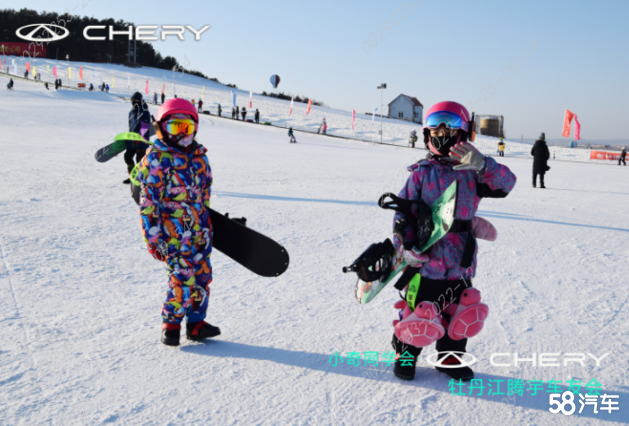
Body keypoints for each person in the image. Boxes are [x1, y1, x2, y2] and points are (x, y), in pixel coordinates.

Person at [389, 101, 516, 382]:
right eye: (434, 126)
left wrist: (483, 165)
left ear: (464, 132)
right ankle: (406, 355)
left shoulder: (474, 172)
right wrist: (406, 245)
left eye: (448, 124)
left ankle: (450, 359)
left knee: (459, 312)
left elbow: (507, 183)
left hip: (460, 261)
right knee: (419, 311)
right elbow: (403, 213)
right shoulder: (422, 172)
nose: (441, 131)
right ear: (426, 134)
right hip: (427, 260)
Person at [136, 98, 220, 346]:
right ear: (161, 127)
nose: (182, 133)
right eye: (175, 127)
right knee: (182, 277)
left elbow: (205, 196)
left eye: (187, 127)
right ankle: (171, 325)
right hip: (173, 235)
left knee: (202, 275)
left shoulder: (200, 158)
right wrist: (153, 239)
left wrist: (209, 224)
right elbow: (148, 206)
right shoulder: (156, 159)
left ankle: (196, 323)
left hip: (199, 233)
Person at [123, 92, 151, 184]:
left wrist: (139, 138)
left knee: (140, 160)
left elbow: (145, 126)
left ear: (141, 100)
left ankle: (140, 178)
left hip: (141, 141)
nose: (135, 101)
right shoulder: (131, 112)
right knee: (127, 157)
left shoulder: (144, 111)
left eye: (137, 100)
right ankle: (132, 176)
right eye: (134, 100)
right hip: (132, 140)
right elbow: (131, 127)